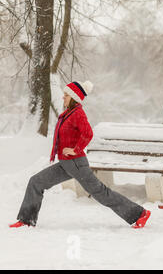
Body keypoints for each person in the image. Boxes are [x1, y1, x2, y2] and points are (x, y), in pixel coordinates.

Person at [9, 80, 151, 229]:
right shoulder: (67, 114)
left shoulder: (77, 114)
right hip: (66, 164)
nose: (63, 97)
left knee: (101, 193)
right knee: (36, 182)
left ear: (74, 97)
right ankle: (26, 220)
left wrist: (75, 150)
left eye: (66, 95)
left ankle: (140, 214)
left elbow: (88, 133)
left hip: (76, 163)